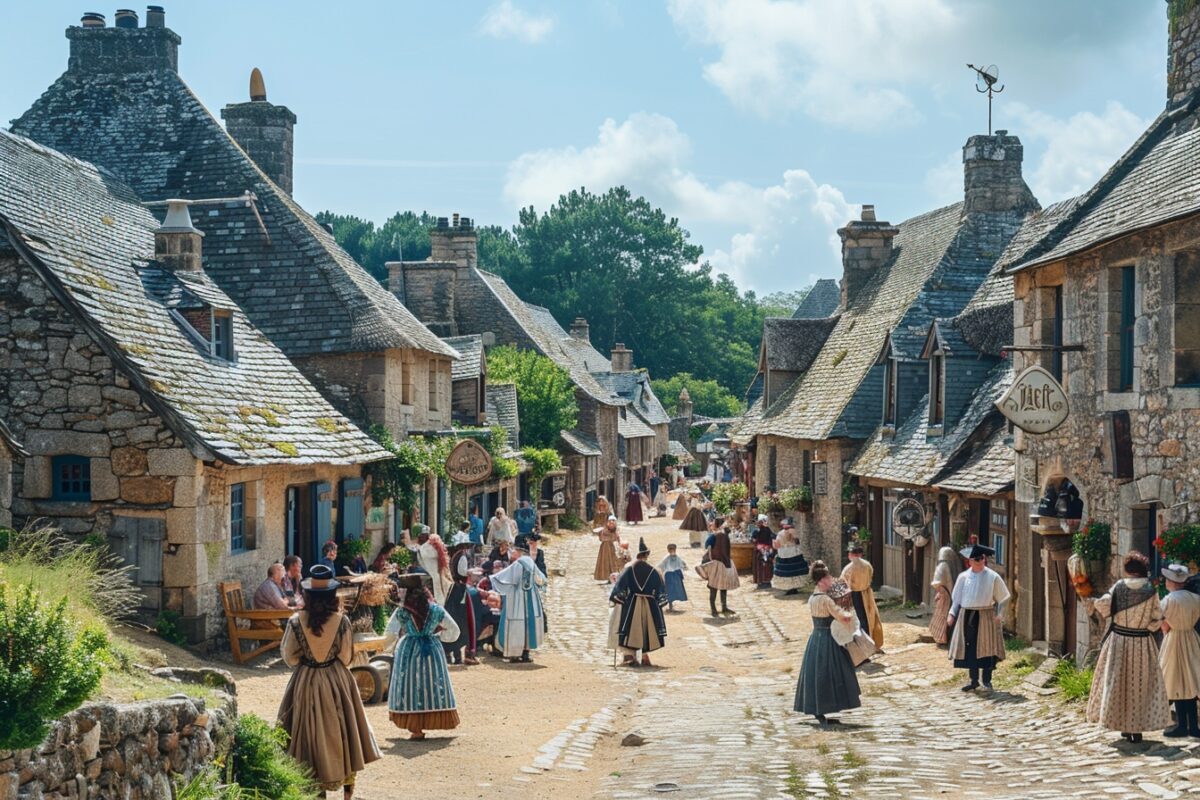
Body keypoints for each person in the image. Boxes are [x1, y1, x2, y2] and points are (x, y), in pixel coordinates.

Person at [277, 565, 381, 797]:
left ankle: (314, 785)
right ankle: (347, 790)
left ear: (307, 594)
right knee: (345, 730)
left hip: (306, 679)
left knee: (305, 731)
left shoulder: (296, 621)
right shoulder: (341, 621)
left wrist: (307, 662)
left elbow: (290, 656)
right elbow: (345, 656)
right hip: (336, 680)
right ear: (332, 595)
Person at [1087, 551, 1170, 742]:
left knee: (1118, 683)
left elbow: (1102, 605)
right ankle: (1136, 728)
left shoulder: (1119, 586)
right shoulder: (1150, 589)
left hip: (1119, 640)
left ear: (1127, 569)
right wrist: (1147, 627)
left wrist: (1116, 616)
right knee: (1140, 685)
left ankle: (1122, 724)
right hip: (1141, 642)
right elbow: (1157, 618)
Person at [385, 573, 460, 740]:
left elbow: (390, 632)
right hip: (431, 650)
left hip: (408, 649)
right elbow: (454, 631)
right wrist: (439, 637)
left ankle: (415, 728)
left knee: (410, 685)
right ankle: (431, 719)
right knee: (432, 683)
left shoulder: (402, 611)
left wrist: (384, 649)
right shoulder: (436, 609)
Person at [793, 560, 861, 725]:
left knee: (816, 674)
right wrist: (851, 614)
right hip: (828, 639)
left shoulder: (813, 597)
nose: (831, 579)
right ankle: (826, 706)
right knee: (830, 674)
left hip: (815, 637)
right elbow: (841, 616)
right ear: (822, 580)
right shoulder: (825, 600)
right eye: (829, 577)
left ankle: (818, 709)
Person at [947, 543, 1010, 692]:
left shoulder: (993, 577)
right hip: (967, 615)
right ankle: (973, 680)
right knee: (971, 649)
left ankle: (987, 680)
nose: (981, 562)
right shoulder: (963, 577)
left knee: (987, 649)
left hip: (986, 615)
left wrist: (1000, 614)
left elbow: (1004, 597)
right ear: (970, 561)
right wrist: (951, 614)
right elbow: (956, 599)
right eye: (977, 559)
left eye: (982, 559)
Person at [610, 538, 668, 667]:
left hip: (632, 603)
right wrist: (656, 600)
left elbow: (620, 585)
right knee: (647, 629)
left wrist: (619, 598)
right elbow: (660, 588)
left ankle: (629, 656)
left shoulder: (630, 569)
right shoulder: (653, 571)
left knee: (631, 629)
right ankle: (644, 656)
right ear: (646, 555)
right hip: (649, 604)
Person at [1159, 563, 1200, 737]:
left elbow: (1163, 624)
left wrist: (1169, 626)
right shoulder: (1196, 598)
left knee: (1176, 680)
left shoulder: (1168, 600)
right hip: (1191, 637)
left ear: (1171, 581)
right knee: (1190, 680)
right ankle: (1194, 727)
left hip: (1174, 638)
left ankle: (1182, 725)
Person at [490, 542, 548, 663]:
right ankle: (526, 653)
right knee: (528, 624)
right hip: (531, 598)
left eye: (514, 550)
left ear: (520, 551)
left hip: (517, 598)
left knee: (516, 624)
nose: (512, 552)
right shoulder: (531, 562)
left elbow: (508, 578)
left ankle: (515, 654)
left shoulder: (518, 564)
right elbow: (541, 579)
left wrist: (493, 578)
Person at [443, 532, 479, 666]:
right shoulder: (462, 557)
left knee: (454, 618)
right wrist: (471, 572)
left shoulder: (454, 556)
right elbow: (463, 572)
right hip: (460, 590)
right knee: (461, 620)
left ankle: (452, 654)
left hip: (454, 589)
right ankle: (458, 654)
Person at [841, 544, 884, 649]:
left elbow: (843, 581)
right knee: (868, 617)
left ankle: (858, 644)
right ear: (860, 554)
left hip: (852, 594)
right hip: (866, 594)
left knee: (855, 618)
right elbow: (871, 576)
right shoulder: (867, 565)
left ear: (851, 554)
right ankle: (868, 640)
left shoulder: (849, 567)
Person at [696, 527, 739, 617]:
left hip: (717, 563)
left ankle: (716, 609)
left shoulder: (715, 536)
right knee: (720, 587)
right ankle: (720, 608)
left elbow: (707, 544)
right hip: (722, 563)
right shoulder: (724, 537)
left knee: (715, 587)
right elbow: (726, 552)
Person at [410, 527, 451, 605]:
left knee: (431, 596)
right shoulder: (435, 547)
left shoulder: (423, 548)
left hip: (428, 576)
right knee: (439, 595)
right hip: (436, 575)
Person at [929, 546, 956, 646]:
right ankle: (940, 638)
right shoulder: (944, 566)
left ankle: (942, 638)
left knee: (942, 617)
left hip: (945, 595)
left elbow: (945, 583)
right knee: (940, 617)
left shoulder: (943, 566)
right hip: (943, 594)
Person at [772, 519, 809, 595]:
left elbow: (777, 545)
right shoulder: (793, 531)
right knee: (795, 569)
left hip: (783, 553)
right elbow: (797, 542)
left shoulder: (779, 533)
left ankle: (789, 588)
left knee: (786, 571)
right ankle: (794, 588)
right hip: (793, 552)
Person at [657, 543, 688, 611]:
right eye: (671, 549)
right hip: (670, 576)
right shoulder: (667, 558)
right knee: (670, 590)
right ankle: (670, 604)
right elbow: (661, 566)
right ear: (668, 550)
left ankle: (671, 603)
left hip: (674, 575)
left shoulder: (676, 557)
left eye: (673, 549)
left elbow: (682, 563)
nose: (672, 550)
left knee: (675, 590)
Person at [593, 515, 623, 582]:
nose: (611, 524)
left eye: (613, 522)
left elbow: (617, 538)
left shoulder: (615, 530)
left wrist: (619, 545)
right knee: (605, 562)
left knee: (614, 562)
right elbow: (601, 538)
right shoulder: (604, 531)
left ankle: (614, 577)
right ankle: (607, 577)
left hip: (613, 547)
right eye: (610, 522)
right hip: (605, 548)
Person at [752, 514, 775, 589]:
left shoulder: (757, 531)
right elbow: (772, 537)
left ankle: (762, 582)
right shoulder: (767, 529)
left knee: (761, 566)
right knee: (766, 566)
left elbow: (754, 540)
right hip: (766, 550)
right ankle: (765, 582)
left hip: (761, 551)